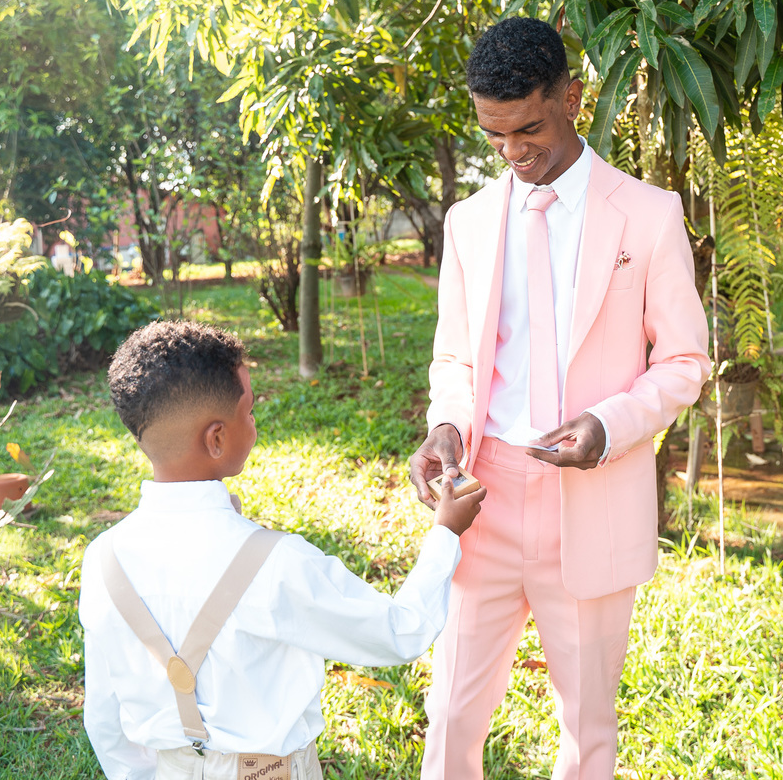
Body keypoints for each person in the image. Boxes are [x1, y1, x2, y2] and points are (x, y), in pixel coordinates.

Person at [409, 17, 711, 779]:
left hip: (592, 500)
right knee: (451, 713)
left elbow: (685, 360)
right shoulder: (469, 222)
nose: (513, 151)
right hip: (483, 500)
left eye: (529, 129)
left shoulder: (649, 214)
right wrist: (447, 425)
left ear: (571, 98)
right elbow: (455, 356)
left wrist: (610, 424)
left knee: (587, 723)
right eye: (494, 135)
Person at [79, 320, 485, 780]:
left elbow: (104, 722)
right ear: (216, 438)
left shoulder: (103, 560)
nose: (254, 421)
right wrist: (445, 533)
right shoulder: (276, 562)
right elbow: (400, 632)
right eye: (249, 411)